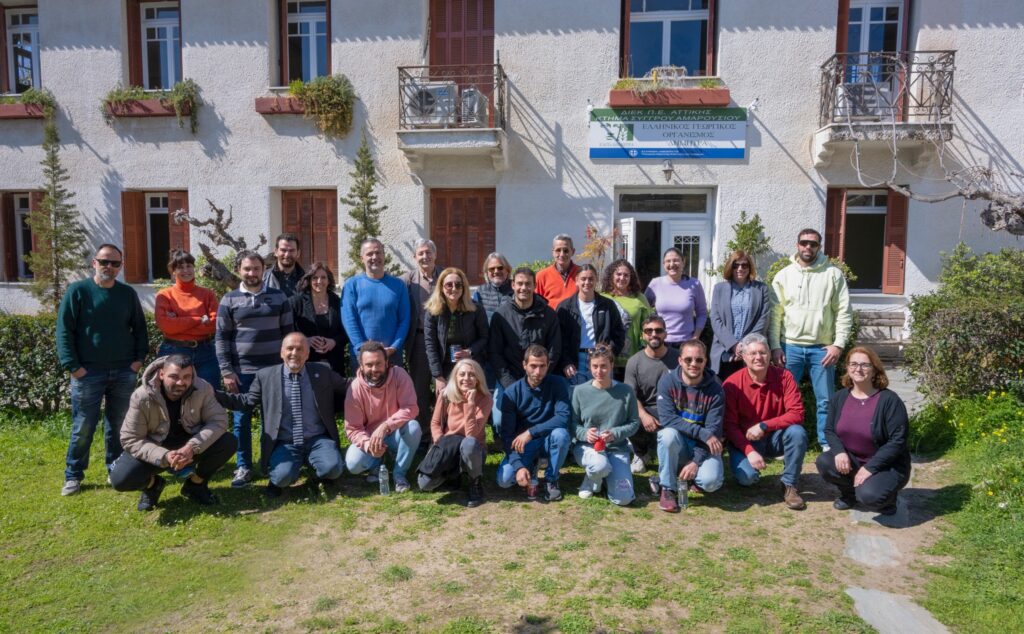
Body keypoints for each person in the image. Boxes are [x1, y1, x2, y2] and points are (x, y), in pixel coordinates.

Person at [57, 243, 149, 496]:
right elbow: (64, 331)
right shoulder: (78, 291)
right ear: (94, 263)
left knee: (119, 425)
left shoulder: (127, 294)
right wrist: (73, 367)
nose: (109, 266)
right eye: (104, 261)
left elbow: (140, 329)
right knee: (83, 427)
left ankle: (115, 470)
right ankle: (73, 475)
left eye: (115, 263)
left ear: (121, 266)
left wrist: (137, 361)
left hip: (123, 372)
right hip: (88, 373)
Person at [216, 333, 348, 498]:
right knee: (281, 478)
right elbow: (246, 401)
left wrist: (371, 381)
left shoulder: (322, 371)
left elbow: (347, 386)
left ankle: (315, 471)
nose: (294, 353)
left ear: (307, 354)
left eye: (300, 349)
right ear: (281, 352)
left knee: (333, 469)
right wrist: (214, 395)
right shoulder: (265, 376)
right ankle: (287, 472)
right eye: (290, 348)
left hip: (317, 439)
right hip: (285, 442)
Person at [111, 354, 235, 511]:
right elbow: (131, 438)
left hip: (188, 445)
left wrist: (192, 447)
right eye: (174, 377)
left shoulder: (203, 388)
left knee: (228, 442)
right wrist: (164, 456)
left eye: (186, 377)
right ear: (161, 374)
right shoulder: (142, 396)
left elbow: (218, 421)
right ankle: (153, 485)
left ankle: (196, 485)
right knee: (120, 479)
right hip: (154, 446)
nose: (181, 382)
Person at [768, 228, 853, 451]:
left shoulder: (833, 275)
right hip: (790, 347)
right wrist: (775, 346)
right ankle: (784, 443)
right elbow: (775, 315)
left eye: (813, 244)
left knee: (825, 400)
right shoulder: (784, 275)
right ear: (797, 245)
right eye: (804, 243)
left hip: (822, 349)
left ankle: (826, 444)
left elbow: (844, 311)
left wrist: (838, 344)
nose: (808, 247)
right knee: (784, 399)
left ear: (819, 247)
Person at [215, 250, 293, 488]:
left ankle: (269, 463)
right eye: (247, 269)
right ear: (239, 270)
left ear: (263, 270)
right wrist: (227, 371)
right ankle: (244, 466)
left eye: (256, 269)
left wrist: (288, 366)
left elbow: (289, 335)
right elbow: (221, 338)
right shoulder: (229, 300)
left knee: (273, 420)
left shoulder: (279, 298)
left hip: (274, 371)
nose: (252, 273)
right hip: (242, 373)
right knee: (242, 421)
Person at [815, 347, 910, 515]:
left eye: (865, 365)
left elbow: (898, 441)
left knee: (869, 496)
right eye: (853, 364)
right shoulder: (840, 397)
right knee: (825, 461)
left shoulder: (889, 400)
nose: (858, 369)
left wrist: (870, 468)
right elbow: (829, 429)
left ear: (874, 370)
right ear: (847, 368)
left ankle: (888, 500)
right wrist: (839, 452)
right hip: (853, 460)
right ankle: (849, 494)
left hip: (886, 465)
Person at [723, 333, 808, 511]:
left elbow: (797, 414)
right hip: (745, 441)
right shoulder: (732, 384)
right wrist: (749, 451)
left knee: (797, 432)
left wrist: (764, 425)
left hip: (775, 437)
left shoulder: (785, 377)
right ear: (743, 356)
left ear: (769, 354)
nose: (758, 357)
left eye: (762, 352)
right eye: (752, 353)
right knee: (747, 479)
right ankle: (749, 466)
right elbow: (729, 426)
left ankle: (789, 484)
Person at [654, 339, 725, 512]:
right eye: (688, 359)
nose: (694, 364)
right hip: (679, 441)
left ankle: (690, 475)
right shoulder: (667, 382)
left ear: (705, 361)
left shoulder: (716, 389)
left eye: (699, 360)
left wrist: (695, 461)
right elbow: (667, 419)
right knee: (666, 434)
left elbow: (713, 430)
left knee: (711, 482)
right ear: (680, 360)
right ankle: (667, 488)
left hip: (703, 446)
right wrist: (703, 433)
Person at [344, 341, 423, 493]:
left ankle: (399, 474)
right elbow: (353, 428)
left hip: (396, 433)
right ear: (361, 366)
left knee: (414, 427)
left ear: (386, 362)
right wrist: (368, 445)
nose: (374, 369)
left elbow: (411, 408)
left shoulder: (399, 375)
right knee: (353, 464)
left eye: (378, 363)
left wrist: (386, 425)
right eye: (369, 365)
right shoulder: (355, 388)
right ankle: (376, 464)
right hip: (370, 437)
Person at [497, 345, 571, 502]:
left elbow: (563, 418)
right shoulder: (511, 393)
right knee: (504, 480)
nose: (538, 371)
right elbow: (507, 435)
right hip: (523, 445)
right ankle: (530, 466)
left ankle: (552, 479)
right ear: (524, 365)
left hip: (548, 440)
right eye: (533, 366)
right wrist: (518, 466)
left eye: (542, 366)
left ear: (548, 365)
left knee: (561, 435)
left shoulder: (558, 383)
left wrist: (531, 432)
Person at [570, 344, 640, 505]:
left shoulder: (626, 391)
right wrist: (585, 434)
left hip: (617, 448)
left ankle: (602, 476)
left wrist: (615, 433)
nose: (599, 371)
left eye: (603, 366)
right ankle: (593, 477)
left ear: (612, 365)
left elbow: (634, 423)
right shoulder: (579, 391)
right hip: (588, 447)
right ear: (589, 366)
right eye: (595, 366)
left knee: (623, 499)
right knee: (599, 466)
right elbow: (572, 424)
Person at [417, 359, 492, 508]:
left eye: (472, 375)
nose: (466, 378)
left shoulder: (485, 398)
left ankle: (475, 483)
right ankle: (452, 474)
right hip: (449, 445)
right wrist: (440, 442)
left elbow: (471, 434)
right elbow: (435, 423)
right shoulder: (446, 395)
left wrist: (470, 403)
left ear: (478, 379)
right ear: (455, 377)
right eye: (462, 374)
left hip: (473, 449)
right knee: (424, 484)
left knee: (469, 444)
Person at [489, 267, 562, 393]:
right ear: (513, 285)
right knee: (500, 407)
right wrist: (510, 385)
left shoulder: (548, 314)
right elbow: (495, 353)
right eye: (520, 283)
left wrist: (538, 376)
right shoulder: (501, 316)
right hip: (509, 383)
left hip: (541, 380)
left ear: (535, 286)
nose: (523, 288)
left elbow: (554, 350)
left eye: (528, 284)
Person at [155, 249, 220, 388]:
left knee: (210, 394)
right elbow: (166, 325)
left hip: (205, 352)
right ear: (173, 271)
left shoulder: (207, 294)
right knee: (173, 395)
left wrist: (178, 321)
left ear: (194, 268)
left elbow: (214, 324)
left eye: (189, 266)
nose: (185, 270)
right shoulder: (165, 295)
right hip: (173, 350)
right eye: (180, 267)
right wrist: (199, 319)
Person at [341, 238, 411, 368]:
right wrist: (362, 347)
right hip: (362, 355)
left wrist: (394, 347)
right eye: (369, 254)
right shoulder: (352, 285)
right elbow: (349, 320)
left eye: (378, 252)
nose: (375, 257)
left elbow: (404, 320)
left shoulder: (398, 285)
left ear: (384, 255)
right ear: (362, 258)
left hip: (392, 355)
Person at [624, 315, 679, 473]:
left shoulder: (680, 358)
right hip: (647, 409)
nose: (654, 334)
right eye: (649, 331)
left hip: (674, 409)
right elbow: (630, 394)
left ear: (665, 334)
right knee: (625, 410)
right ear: (642, 335)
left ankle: (675, 453)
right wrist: (643, 415)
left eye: (658, 330)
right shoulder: (634, 361)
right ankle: (641, 453)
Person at [556, 264, 625, 385]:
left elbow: (619, 333)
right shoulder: (565, 307)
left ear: (596, 280)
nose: (587, 282)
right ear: (577, 281)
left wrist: (609, 352)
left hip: (600, 359)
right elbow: (559, 338)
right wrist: (565, 362)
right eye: (583, 279)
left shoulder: (608, 305)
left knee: (602, 394)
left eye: (591, 279)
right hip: (575, 361)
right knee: (576, 394)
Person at [400, 238, 444, 426]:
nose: (425, 256)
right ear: (414, 257)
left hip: (444, 340)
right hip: (418, 341)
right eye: (421, 253)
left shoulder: (446, 276)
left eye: (428, 252)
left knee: (445, 388)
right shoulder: (406, 281)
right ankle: (424, 433)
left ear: (435, 254)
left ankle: (444, 431)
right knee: (420, 390)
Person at [424, 267, 488, 393]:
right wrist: (438, 376)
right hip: (444, 368)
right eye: (449, 285)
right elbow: (430, 346)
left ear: (463, 287)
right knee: (447, 403)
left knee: (471, 402)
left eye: (458, 285)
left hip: (470, 367)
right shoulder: (432, 311)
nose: (454, 288)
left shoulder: (475, 309)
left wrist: (470, 351)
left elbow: (484, 337)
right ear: (441, 287)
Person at [471, 252, 514, 436]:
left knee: (504, 400)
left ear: (507, 270)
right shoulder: (479, 293)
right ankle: (484, 437)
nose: (496, 271)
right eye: (492, 269)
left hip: (508, 357)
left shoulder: (515, 290)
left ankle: (502, 434)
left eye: (500, 268)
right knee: (485, 398)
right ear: (486, 272)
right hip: (485, 357)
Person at [709, 250, 769, 379]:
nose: (740, 268)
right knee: (724, 388)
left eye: (744, 265)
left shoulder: (761, 289)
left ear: (750, 267)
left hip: (751, 351)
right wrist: (733, 345)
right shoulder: (719, 289)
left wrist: (745, 345)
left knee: (750, 389)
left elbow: (763, 319)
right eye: (735, 265)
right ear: (730, 267)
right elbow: (715, 318)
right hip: (724, 350)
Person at [289, 262, 348, 376]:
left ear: (329, 280)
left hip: (334, 361)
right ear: (309, 280)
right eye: (315, 278)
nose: (319, 281)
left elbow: (346, 332)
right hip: (305, 361)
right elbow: (288, 330)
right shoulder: (296, 302)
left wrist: (334, 342)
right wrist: (304, 340)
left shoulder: (338, 302)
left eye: (323, 277)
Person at [600, 259, 652, 379]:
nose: (622, 278)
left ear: (631, 277)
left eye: (626, 275)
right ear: (611, 276)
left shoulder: (639, 298)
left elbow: (648, 326)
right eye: (618, 274)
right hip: (607, 358)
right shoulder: (602, 298)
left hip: (633, 358)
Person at [644, 247, 708, 346]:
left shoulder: (694, 284)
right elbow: (644, 310)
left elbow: (702, 313)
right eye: (668, 261)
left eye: (676, 260)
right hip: (660, 342)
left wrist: (696, 337)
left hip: (686, 342)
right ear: (663, 264)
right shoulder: (655, 283)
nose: (672, 264)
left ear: (683, 262)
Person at [535, 233, 580, 309]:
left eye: (566, 250)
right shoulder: (542, 276)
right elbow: (536, 304)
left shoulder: (581, 274)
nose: (562, 254)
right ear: (553, 252)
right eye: (558, 250)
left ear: (573, 252)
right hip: (551, 316)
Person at [263, 233, 305, 298]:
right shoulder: (263, 278)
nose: (287, 255)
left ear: (298, 253)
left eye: (291, 250)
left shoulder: (306, 280)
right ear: (276, 252)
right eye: (283, 250)